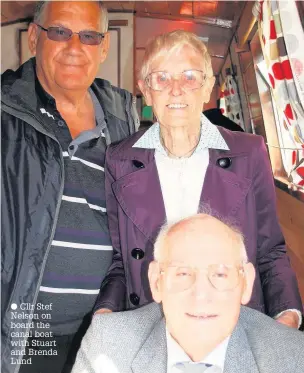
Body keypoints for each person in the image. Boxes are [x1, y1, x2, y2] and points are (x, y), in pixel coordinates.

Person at [94, 30, 302, 327]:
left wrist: (287, 316)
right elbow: (120, 262)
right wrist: (106, 315)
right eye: (162, 78)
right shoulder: (120, 159)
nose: (176, 89)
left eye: (190, 77)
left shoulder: (250, 153)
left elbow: (270, 252)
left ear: (208, 89)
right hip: (154, 326)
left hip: (233, 324)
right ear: (145, 89)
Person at [1, 1, 138, 373]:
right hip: (25, 334)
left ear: (104, 47)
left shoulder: (124, 118)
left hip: (104, 331)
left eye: (89, 36)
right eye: (60, 32)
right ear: (34, 38)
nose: (75, 47)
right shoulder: (5, 112)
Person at [73, 214, 304, 373]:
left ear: (247, 283)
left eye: (220, 274)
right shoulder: (108, 342)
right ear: (156, 281)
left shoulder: (293, 356)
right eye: (183, 274)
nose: (201, 295)